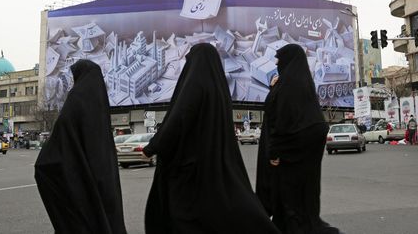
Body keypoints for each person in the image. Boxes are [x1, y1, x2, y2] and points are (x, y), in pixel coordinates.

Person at [142, 43, 280, 234]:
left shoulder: (194, 84)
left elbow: (179, 118)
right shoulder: (218, 87)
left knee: (183, 214)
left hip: (190, 166)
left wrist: (153, 147)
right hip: (213, 160)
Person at [256, 44, 343, 234]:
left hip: (287, 160)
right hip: (302, 159)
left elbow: (280, 120)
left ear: (288, 62)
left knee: (289, 206)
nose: (277, 65)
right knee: (302, 203)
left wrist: (275, 152)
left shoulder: (286, 88)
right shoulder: (303, 84)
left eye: (280, 61)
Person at [34, 60, 127, 234]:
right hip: (104, 179)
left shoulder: (76, 99)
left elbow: (53, 152)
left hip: (80, 184)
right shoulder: (100, 102)